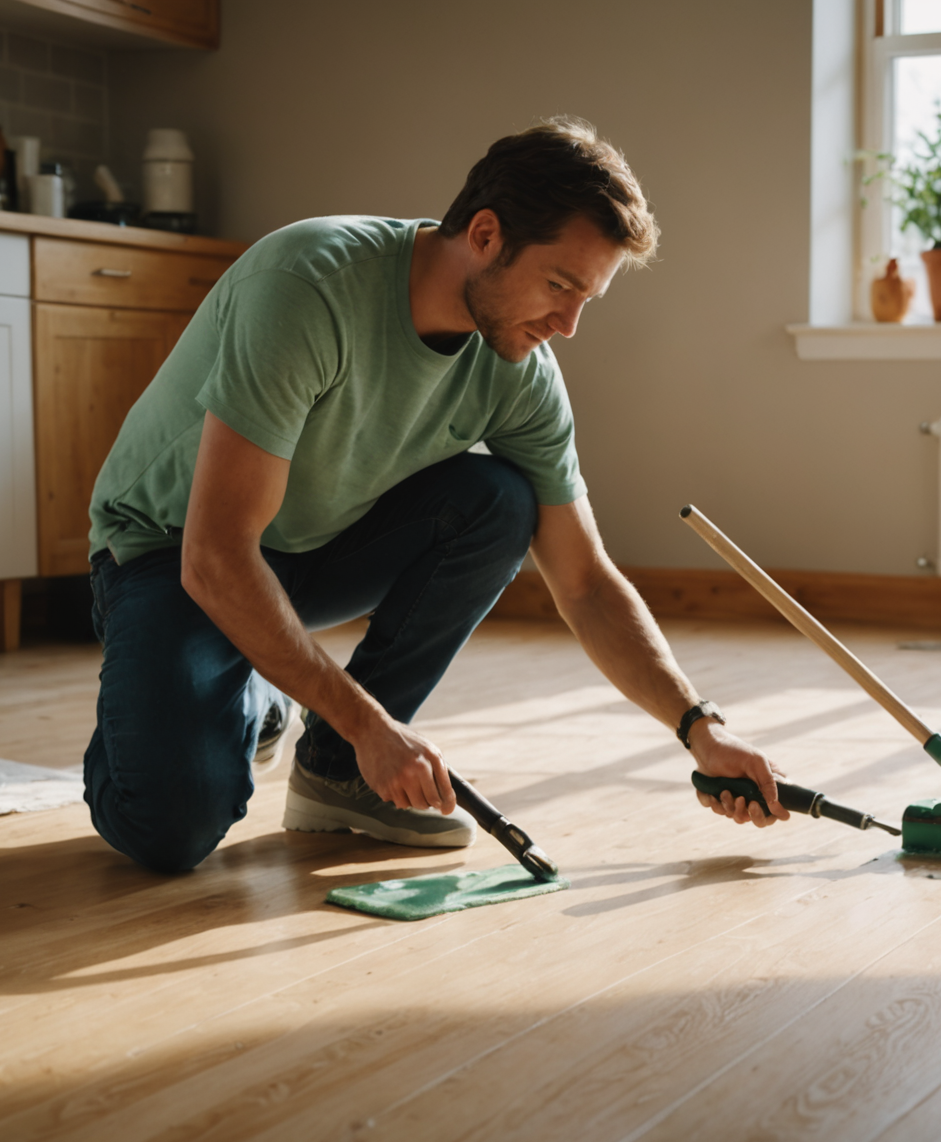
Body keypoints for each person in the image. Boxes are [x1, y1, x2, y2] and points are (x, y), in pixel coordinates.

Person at [82, 118, 783, 872]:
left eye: (588, 298)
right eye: (559, 285)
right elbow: (217, 556)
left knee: (499, 500)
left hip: (315, 549)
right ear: (485, 235)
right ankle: (226, 697)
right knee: (171, 829)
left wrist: (701, 728)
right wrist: (370, 723)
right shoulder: (308, 289)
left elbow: (584, 581)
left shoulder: (521, 371)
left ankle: (335, 771)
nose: (569, 325)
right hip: (170, 552)